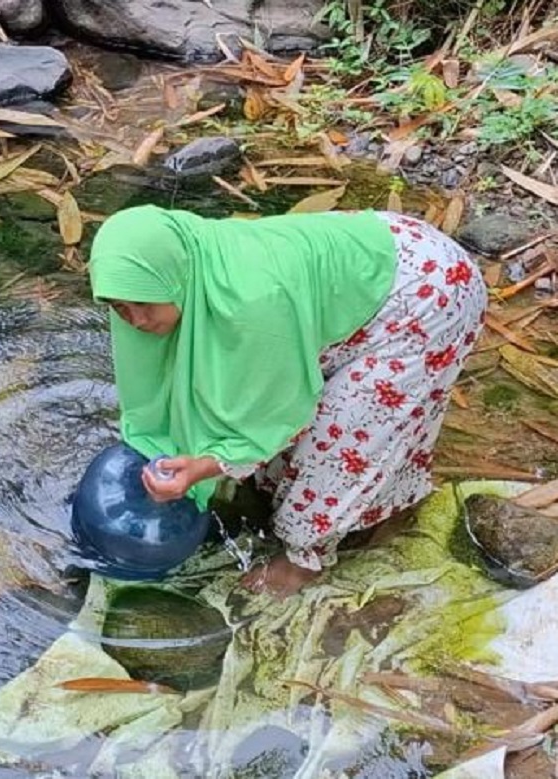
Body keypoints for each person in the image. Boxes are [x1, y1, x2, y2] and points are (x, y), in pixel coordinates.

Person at [87, 204, 487, 598]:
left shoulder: (249, 307)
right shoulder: (188, 262)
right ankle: (363, 499)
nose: (136, 321)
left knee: (347, 437)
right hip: (371, 261)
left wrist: (208, 465)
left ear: (172, 278)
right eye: (121, 308)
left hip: (426, 296)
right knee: (325, 415)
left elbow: (278, 414)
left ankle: (304, 559)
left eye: (145, 304)